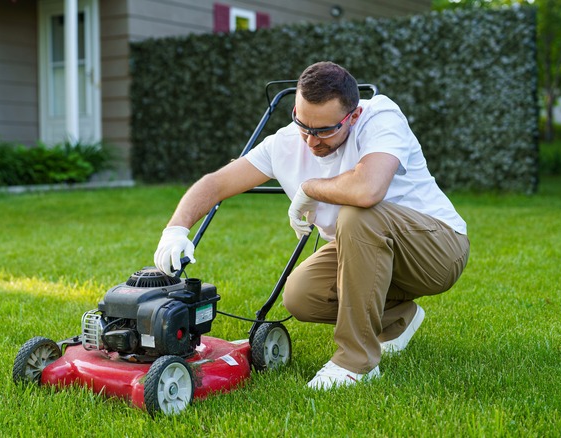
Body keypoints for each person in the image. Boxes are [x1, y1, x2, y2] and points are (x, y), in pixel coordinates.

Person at [153, 61, 470, 390]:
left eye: (325, 130)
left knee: (358, 213)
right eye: (304, 125)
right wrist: (176, 229)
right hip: (369, 252)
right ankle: (396, 320)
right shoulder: (285, 143)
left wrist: (309, 188)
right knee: (301, 295)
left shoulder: (381, 115)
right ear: (295, 110)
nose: (311, 141)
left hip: (438, 250)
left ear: (354, 116)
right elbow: (216, 184)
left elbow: (368, 190)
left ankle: (355, 362)